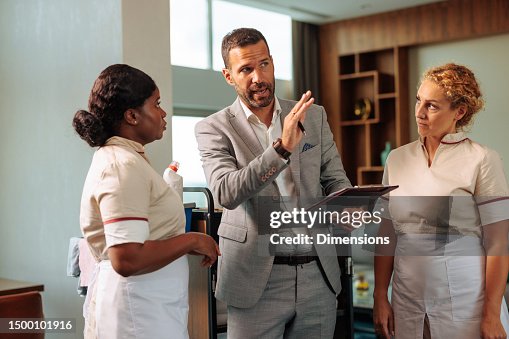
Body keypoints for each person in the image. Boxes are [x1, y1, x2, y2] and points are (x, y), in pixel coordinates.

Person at [195, 28, 351, 338]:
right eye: (246, 69)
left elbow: (335, 179)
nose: (258, 77)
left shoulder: (313, 115)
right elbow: (226, 192)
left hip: (317, 275)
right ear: (229, 76)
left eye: (264, 64)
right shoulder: (213, 128)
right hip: (255, 278)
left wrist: (349, 204)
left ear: (273, 63)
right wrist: (281, 149)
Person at [73, 64, 220, 339]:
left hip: (150, 304)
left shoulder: (129, 159)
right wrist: (192, 240)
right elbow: (126, 258)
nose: (164, 113)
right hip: (138, 310)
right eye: (157, 104)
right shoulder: (121, 165)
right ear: (132, 116)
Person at [373, 63, 509, 338]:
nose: (419, 113)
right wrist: (379, 295)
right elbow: (386, 232)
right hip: (406, 297)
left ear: (459, 112)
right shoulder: (397, 159)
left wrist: (492, 314)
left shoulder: (481, 159)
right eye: (419, 101)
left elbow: (498, 241)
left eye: (432, 106)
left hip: (465, 302)